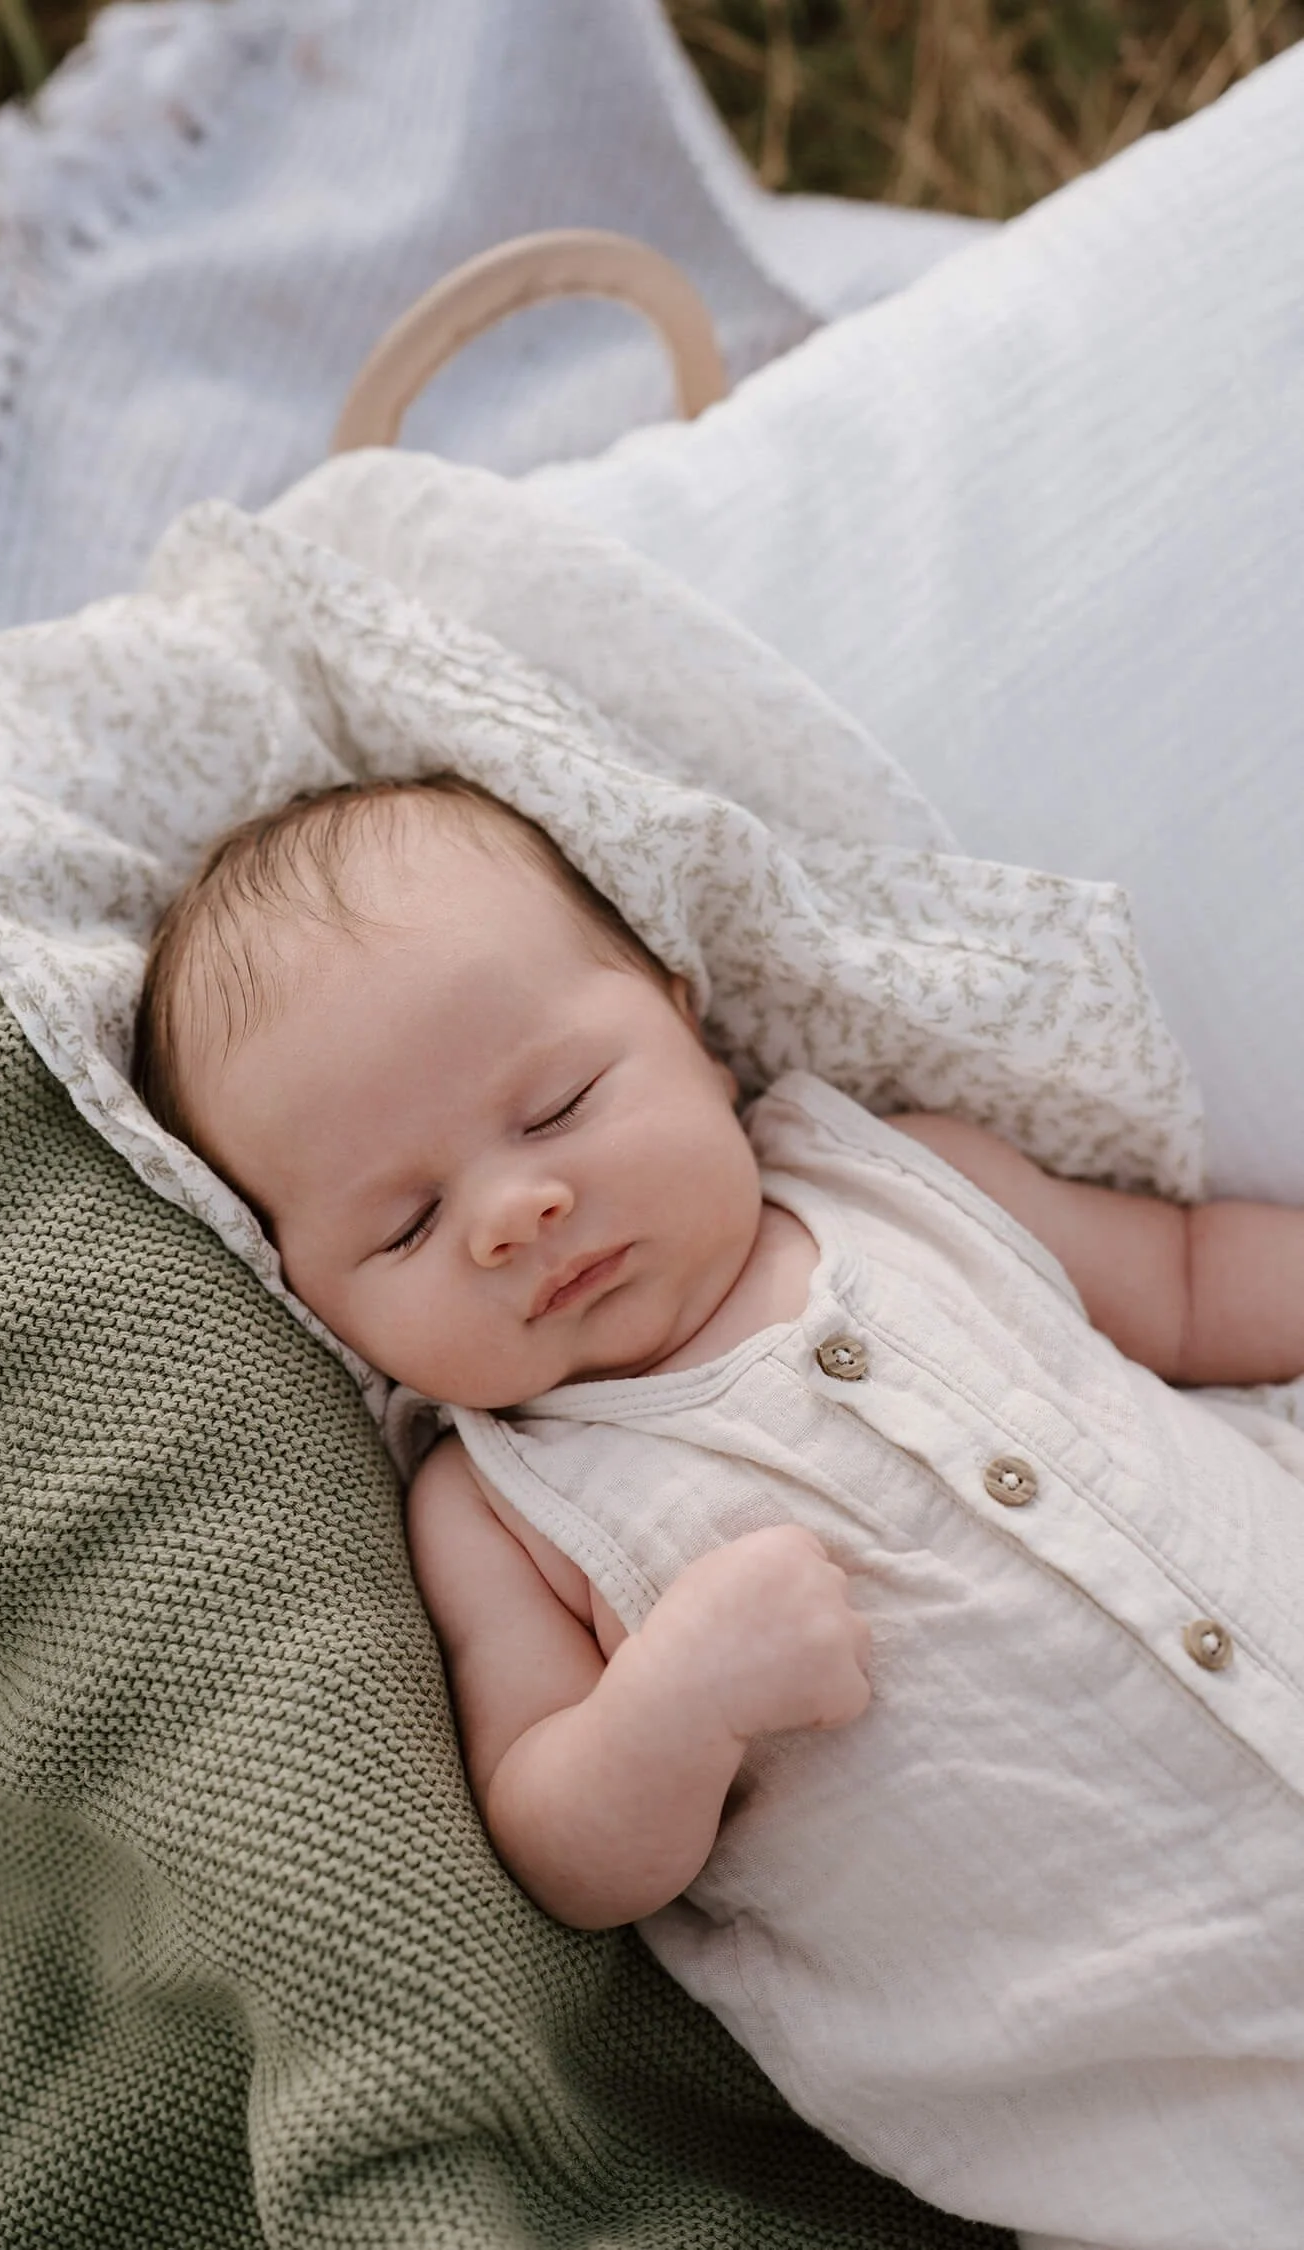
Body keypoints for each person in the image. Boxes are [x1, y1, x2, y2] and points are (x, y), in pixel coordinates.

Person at [133, 769, 1304, 2250]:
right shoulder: (499, 1504)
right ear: (315, 1295)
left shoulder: (908, 1178)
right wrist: (674, 1706)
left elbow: (1192, 1283)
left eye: (557, 1104)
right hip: (1143, 2091)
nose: (511, 1210)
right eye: (407, 1222)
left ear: (686, 1019)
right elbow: (562, 1840)